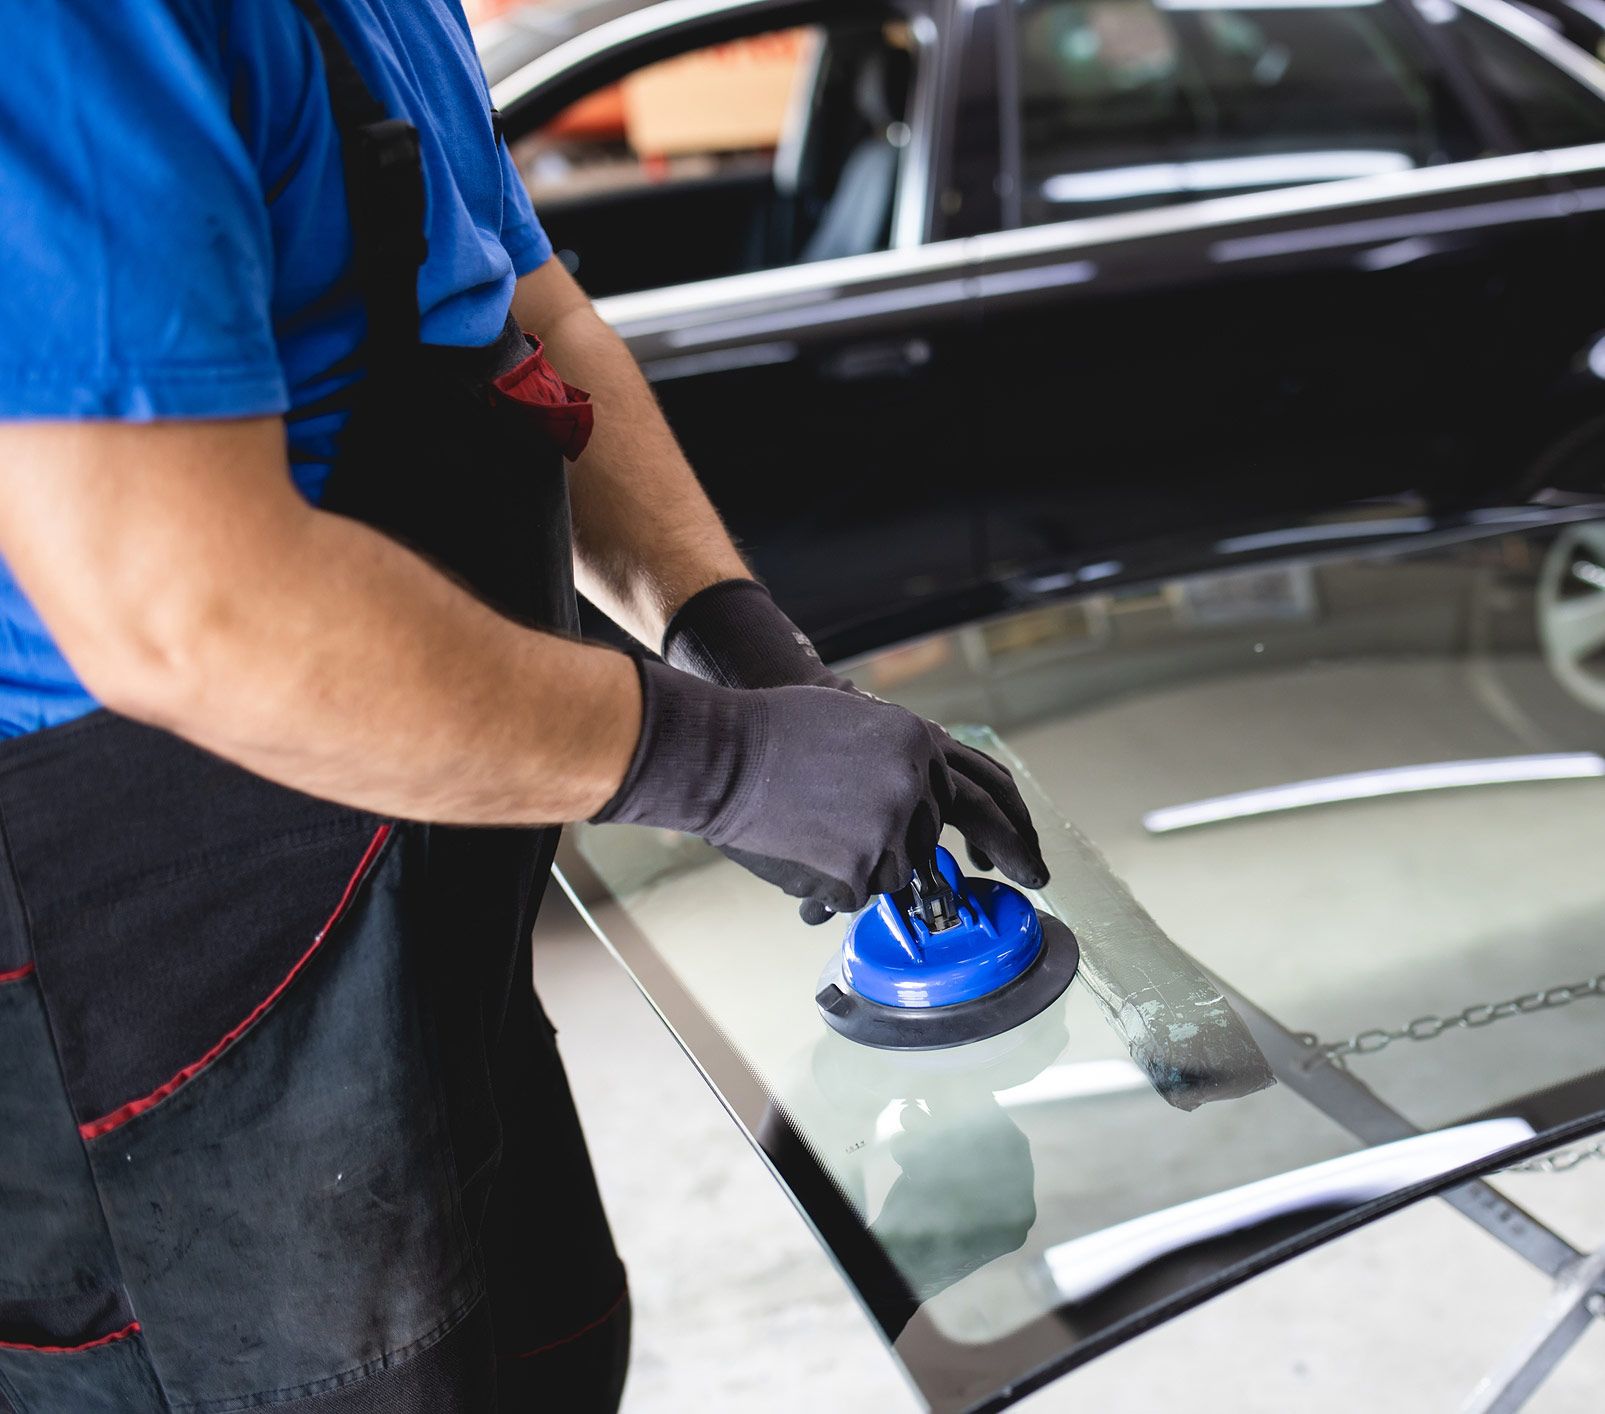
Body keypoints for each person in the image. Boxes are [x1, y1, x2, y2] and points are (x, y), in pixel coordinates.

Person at [0, 4, 1047, 1410]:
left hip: (427, 901)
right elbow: (185, 609)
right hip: (170, 1003)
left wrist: (740, 646)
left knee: (537, 1352)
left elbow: (524, 316)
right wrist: (712, 759)